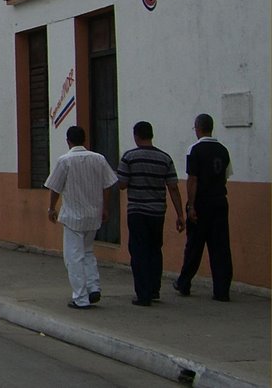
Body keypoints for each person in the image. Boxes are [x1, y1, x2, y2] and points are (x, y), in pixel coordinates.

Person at [45, 125, 119, 309]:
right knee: (88, 252)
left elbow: (55, 187)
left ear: (68, 141)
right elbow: (109, 184)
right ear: (84, 140)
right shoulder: (99, 159)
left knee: (73, 257)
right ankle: (94, 287)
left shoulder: (65, 161)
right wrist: (105, 208)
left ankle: (81, 297)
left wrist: (51, 208)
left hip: (73, 216)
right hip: (93, 214)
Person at [117, 121, 185, 306]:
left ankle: (143, 294)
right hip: (157, 212)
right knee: (155, 250)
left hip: (137, 211)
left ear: (136, 136)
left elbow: (121, 184)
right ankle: (155, 290)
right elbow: (173, 188)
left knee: (139, 252)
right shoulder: (165, 158)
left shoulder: (129, 157)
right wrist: (180, 214)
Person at [174, 113, 233, 301]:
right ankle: (222, 290)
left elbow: (192, 179)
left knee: (195, 245)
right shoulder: (223, 150)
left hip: (202, 202)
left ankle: (184, 282)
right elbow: (225, 176)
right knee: (220, 247)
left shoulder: (195, 149)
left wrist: (191, 206)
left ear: (198, 128)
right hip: (219, 201)